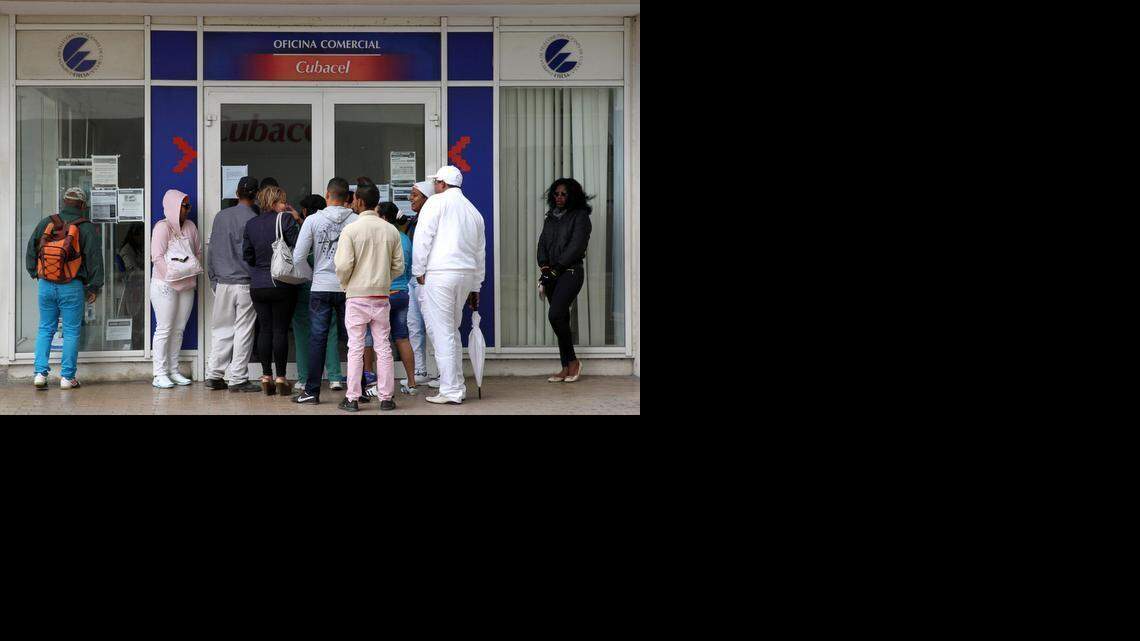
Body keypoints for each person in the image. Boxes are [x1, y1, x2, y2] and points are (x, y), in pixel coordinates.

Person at [412, 166, 485, 405]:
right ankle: (456, 385)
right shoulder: (473, 211)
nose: (434, 186)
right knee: (452, 330)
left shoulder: (436, 203)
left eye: (436, 182)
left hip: (440, 273)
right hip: (465, 275)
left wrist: (418, 270)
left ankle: (451, 390)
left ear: (442, 184)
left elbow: (423, 237)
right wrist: (476, 286)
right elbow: (480, 253)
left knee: (442, 332)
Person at [334, 182, 404, 412]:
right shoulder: (390, 230)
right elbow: (399, 267)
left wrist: (347, 284)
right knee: (383, 347)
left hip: (357, 295)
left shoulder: (351, 230)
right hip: (381, 296)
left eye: (355, 199)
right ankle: (386, 398)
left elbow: (343, 265)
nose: (353, 202)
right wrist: (383, 279)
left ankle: (352, 398)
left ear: (360, 201)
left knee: (355, 347)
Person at [25, 186, 104, 390]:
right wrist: (94, 287)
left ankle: (40, 374)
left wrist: (36, 273)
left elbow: (31, 249)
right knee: (70, 332)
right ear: (83, 205)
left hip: (46, 284)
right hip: (72, 286)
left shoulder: (47, 222)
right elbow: (95, 259)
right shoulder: (86, 227)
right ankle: (67, 378)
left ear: (64, 202)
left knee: (45, 328)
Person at [291, 178, 358, 405]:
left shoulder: (312, 220)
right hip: (348, 287)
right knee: (353, 339)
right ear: (347, 197)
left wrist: (312, 277)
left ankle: (311, 391)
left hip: (320, 286)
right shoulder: (356, 220)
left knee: (317, 338)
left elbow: (298, 257)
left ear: (327, 195)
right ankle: (357, 390)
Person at [204, 176, 260, 393]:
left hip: (223, 282)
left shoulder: (221, 216)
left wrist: (213, 279)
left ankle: (214, 374)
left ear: (237, 193)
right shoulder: (254, 219)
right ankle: (238, 378)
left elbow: (211, 250)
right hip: (245, 283)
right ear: (256, 196)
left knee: (221, 329)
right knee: (243, 330)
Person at [243, 184, 300, 396]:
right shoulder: (285, 219)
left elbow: (248, 255)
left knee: (265, 329)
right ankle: (281, 378)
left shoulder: (251, 224)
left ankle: (266, 376)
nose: (285, 205)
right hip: (280, 282)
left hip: (257, 284)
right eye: (283, 201)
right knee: (280, 330)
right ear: (274, 202)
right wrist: (296, 219)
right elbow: (299, 246)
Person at [538, 178, 593, 383]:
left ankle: (573, 362)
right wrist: (545, 267)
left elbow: (576, 246)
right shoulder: (551, 217)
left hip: (570, 272)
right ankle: (565, 367)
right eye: (556, 194)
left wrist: (557, 269)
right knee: (561, 320)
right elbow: (542, 243)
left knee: (555, 314)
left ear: (573, 196)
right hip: (551, 274)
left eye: (564, 194)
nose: (559, 197)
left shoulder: (580, 217)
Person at [150, 189, 202, 389]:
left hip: (187, 284)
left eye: (188, 206)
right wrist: (172, 276)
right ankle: (159, 373)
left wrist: (189, 273)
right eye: (184, 206)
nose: (187, 210)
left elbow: (198, 252)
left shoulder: (190, 226)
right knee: (164, 328)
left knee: (178, 329)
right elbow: (156, 257)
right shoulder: (161, 227)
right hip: (164, 284)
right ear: (173, 206)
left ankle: (173, 370)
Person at [369, 202, 418, 397]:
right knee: (402, 338)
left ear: (383, 218)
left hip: (384, 295)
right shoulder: (405, 239)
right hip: (402, 294)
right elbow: (410, 268)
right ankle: (412, 383)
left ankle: (381, 385)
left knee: (380, 341)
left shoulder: (381, 237)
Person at [405, 180, 438, 389]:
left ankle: (443, 371)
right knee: (414, 325)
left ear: (427, 199)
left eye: (415, 195)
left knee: (434, 326)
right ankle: (420, 370)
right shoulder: (413, 221)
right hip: (411, 278)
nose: (411, 198)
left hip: (426, 279)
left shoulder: (432, 219)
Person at [117, 222, 146, 349]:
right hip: (133, 288)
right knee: (136, 319)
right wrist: (147, 272)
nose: (143, 238)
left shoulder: (138, 248)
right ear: (134, 235)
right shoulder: (127, 250)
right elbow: (132, 271)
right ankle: (136, 345)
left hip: (140, 285)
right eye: (141, 235)